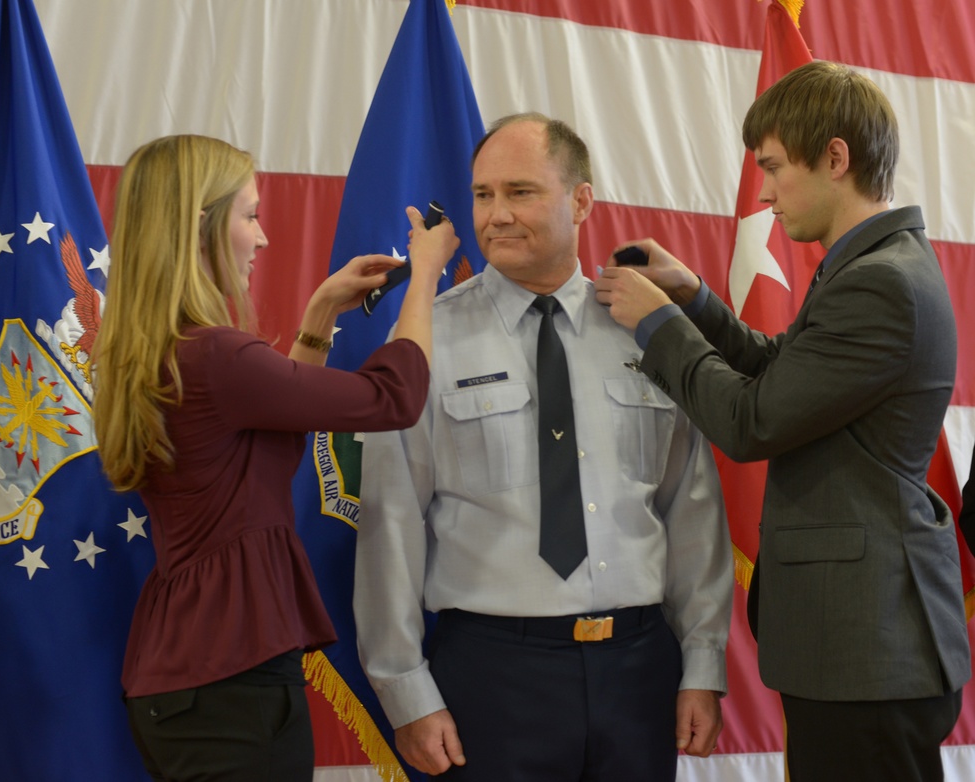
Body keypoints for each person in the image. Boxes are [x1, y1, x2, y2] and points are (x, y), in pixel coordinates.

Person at [595, 61, 970, 781]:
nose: (763, 192)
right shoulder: (870, 267)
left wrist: (659, 326)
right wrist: (697, 298)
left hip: (869, 651)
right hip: (858, 646)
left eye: (772, 167)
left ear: (836, 157)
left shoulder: (880, 282)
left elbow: (750, 422)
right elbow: (782, 368)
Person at [353, 113, 732, 780]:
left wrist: (703, 662)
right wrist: (404, 688)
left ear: (581, 200)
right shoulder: (425, 340)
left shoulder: (647, 331)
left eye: (520, 192)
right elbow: (390, 521)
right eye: (482, 195)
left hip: (638, 670)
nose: (495, 215)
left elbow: (690, 510)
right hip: (492, 676)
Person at [92, 134, 458, 781]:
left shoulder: (165, 353)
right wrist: (424, 278)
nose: (262, 239)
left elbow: (269, 453)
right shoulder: (216, 357)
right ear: (200, 227)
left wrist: (319, 311)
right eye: (250, 215)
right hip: (232, 680)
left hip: (189, 679)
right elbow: (393, 397)